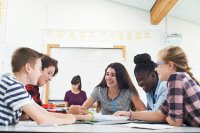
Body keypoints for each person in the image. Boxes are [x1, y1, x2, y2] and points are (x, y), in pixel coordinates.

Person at [0, 47, 91, 126]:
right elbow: (42, 120)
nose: (40, 73)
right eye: (39, 69)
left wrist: (74, 117)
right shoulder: (13, 86)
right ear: (28, 68)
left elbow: (44, 113)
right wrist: (70, 120)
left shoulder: (16, 85)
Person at [114, 46, 200, 127]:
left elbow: (175, 121)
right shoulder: (178, 79)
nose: (156, 69)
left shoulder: (175, 78)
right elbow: (161, 113)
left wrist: (166, 118)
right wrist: (130, 114)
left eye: (158, 64)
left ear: (170, 65)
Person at [68, 62, 146, 115]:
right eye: (107, 74)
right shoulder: (99, 90)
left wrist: (129, 114)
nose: (108, 78)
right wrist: (73, 110)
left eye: (112, 75)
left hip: (124, 127)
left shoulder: (128, 91)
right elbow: (83, 109)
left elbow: (144, 111)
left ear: (120, 77)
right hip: (104, 127)